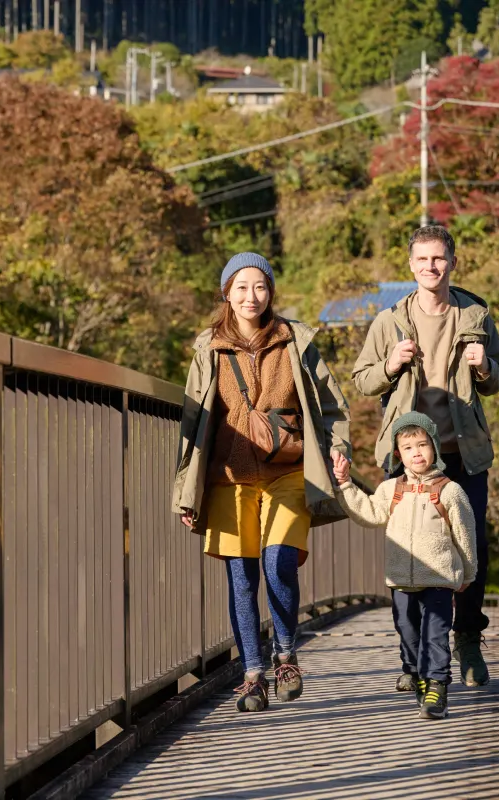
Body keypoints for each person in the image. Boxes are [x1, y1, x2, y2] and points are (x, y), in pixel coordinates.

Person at [171, 252, 351, 713]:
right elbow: (192, 424)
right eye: (242, 287)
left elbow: (331, 406)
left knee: (278, 564)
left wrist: (337, 450)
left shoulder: (296, 342)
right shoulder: (208, 349)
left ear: (271, 291)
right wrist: (185, 490)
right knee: (241, 578)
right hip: (229, 478)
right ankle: (253, 674)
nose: (252, 296)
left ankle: (286, 654)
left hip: (287, 472)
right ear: (226, 293)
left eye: (261, 286)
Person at [350, 225, 499, 686]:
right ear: (411, 265)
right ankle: (416, 657)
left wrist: (485, 367)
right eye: (422, 260)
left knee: (470, 545)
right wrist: (391, 364)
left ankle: (466, 639)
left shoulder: (476, 313)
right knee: (411, 552)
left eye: (438, 259)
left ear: (452, 262)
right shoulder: (389, 322)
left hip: (464, 451)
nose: (430, 267)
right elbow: (362, 380)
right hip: (409, 456)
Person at [332, 411, 477, 720]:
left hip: (439, 578)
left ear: (435, 447)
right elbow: (369, 513)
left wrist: (468, 572)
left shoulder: (449, 490)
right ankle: (414, 671)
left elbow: (465, 535)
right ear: (398, 454)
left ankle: (437, 685)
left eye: (423, 445)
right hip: (401, 579)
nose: (417, 453)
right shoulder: (390, 489)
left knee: (435, 635)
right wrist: (345, 485)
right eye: (408, 448)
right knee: (408, 632)